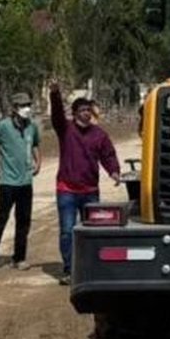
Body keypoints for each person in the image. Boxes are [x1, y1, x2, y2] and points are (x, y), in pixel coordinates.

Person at [50, 82, 122, 286]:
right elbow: (56, 115)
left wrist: (114, 171)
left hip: (90, 191)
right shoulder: (66, 130)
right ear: (74, 113)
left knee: (93, 231)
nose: (86, 113)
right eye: (82, 110)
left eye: (89, 110)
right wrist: (55, 94)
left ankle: (91, 267)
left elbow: (108, 155)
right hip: (67, 191)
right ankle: (69, 269)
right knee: (67, 230)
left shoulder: (99, 134)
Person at [0, 92, 42, 275]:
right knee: (1, 220)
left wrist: (38, 161)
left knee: (24, 221)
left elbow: (35, 144)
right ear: (14, 108)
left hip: (26, 182)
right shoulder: (3, 126)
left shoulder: (31, 127)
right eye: (22, 105)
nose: (26, 109)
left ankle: (19, 258)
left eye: (28, 104)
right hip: (7, 182)